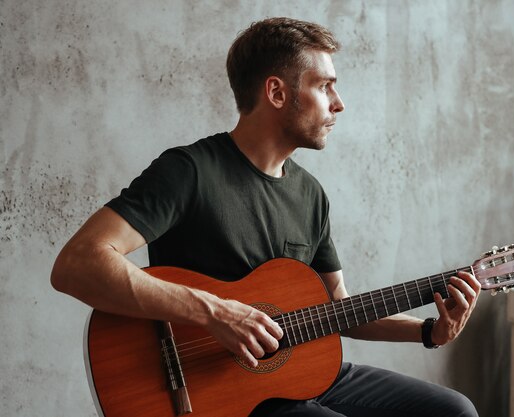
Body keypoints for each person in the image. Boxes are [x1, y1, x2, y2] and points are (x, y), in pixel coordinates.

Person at [51, 17, 481, 417]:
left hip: (306, 377)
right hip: (217, 391)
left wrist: (428, 332)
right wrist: (217, 313)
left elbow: (338, 308)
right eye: (325, 86)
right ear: (277, 93)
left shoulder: (310, 193)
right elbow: (78, 263)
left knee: (454, 411)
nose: (339, 104)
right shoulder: (189, 172)